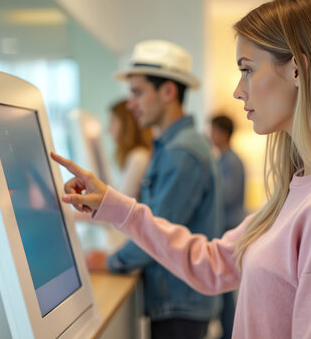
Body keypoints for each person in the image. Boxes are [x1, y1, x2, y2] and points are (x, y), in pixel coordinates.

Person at [52, 0, 311, 338]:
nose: (238, 90)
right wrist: (113, 206)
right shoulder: (300, 190)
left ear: (297, 71)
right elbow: (212, 263)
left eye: (247, 69)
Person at [87, 40, 223, 338]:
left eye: (137, 93)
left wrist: (109, 261)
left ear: (168, 92)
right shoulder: (173, 147)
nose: (131, 104)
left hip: (179, 303)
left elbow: (157, 231)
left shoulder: (181, 152)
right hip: (177, 300)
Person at [210, 114, 246, 339]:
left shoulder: (231, 161)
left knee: (226, 289)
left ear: (223, 133)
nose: (210, 135)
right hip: (225, 226)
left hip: (229, 226)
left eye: (213, 131)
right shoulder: (223, 159)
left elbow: (226, 196)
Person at [108, 99, 152, 199]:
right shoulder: (136, 155)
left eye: (113, 122)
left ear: (127, 124)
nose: (109, 130)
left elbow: (120, 204)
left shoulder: (139, 157)